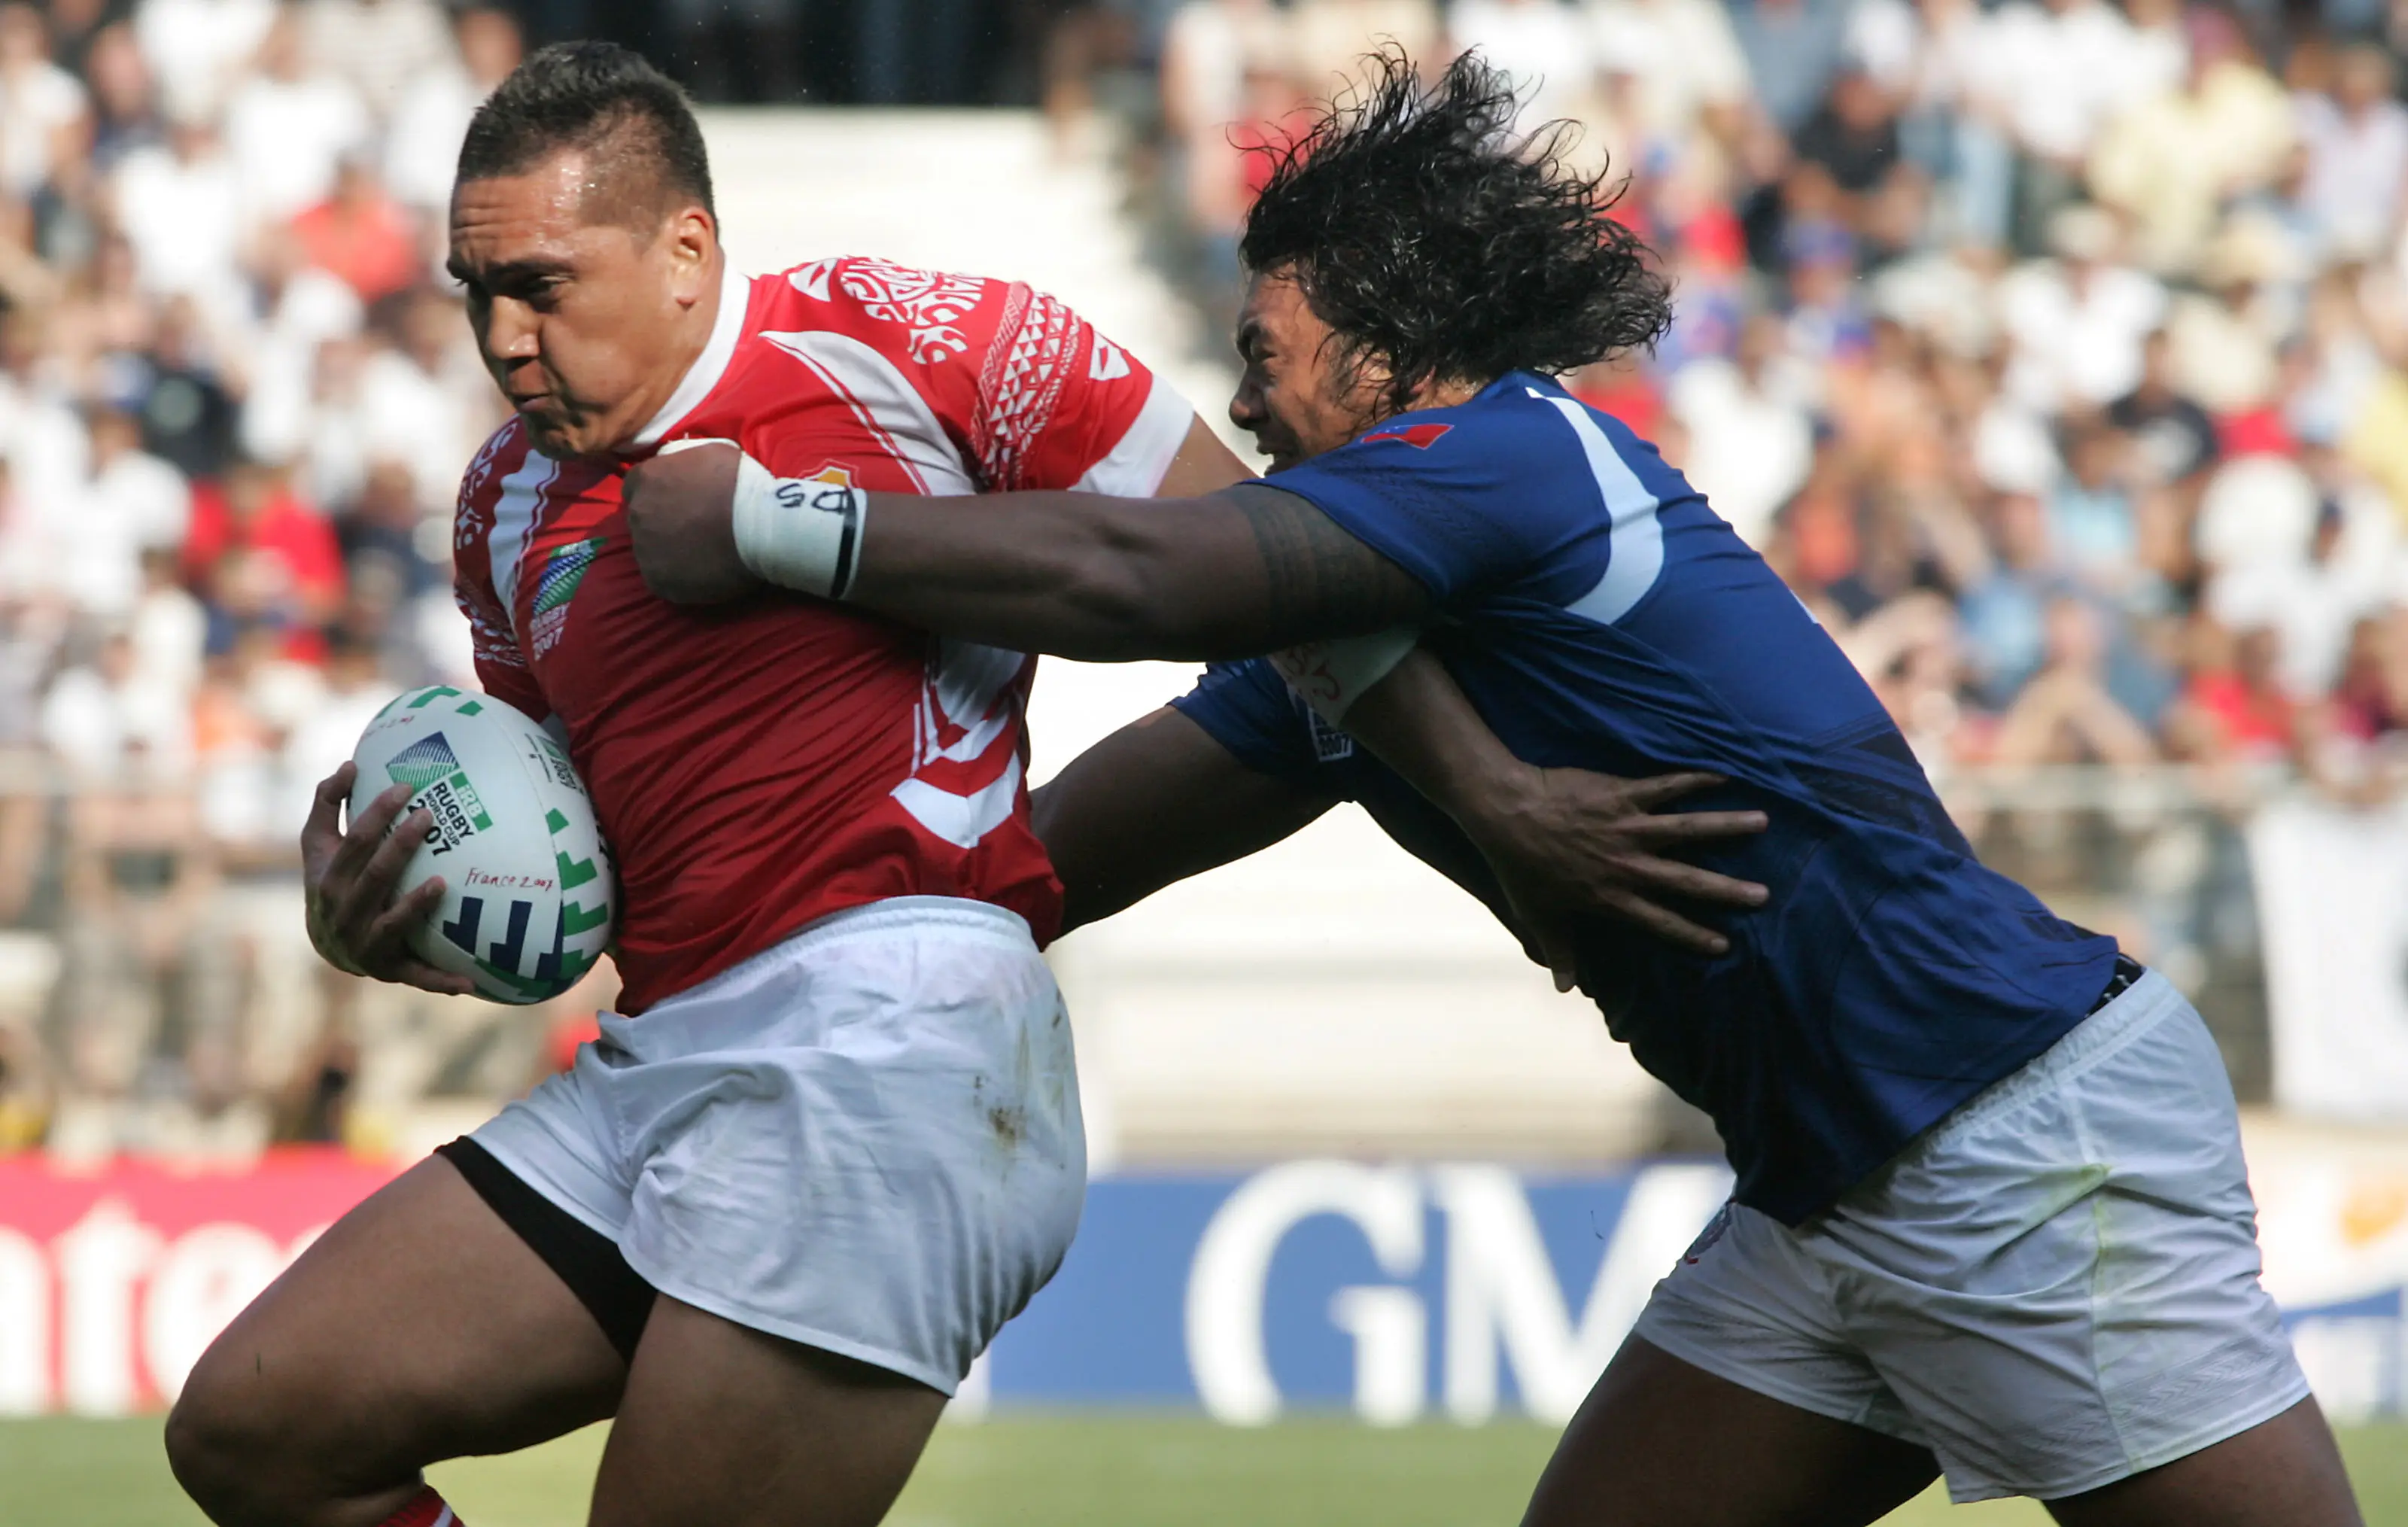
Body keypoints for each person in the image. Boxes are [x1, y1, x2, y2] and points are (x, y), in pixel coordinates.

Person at [625, 51, 2363, 1526]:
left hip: (2013, 1137)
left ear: (1389, 351)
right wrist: (694, 916)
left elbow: (1132, 579)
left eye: (1268, 347)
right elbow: (1041, 864)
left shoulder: (1509, 459)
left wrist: (778, 524)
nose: (1239, 397)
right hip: (1823, 1185)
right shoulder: (1353, 668)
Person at [163, 43, 1764, 1527]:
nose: (506, 336)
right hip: (661, 1053)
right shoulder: (500, 509)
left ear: (685, 254)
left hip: (888, 1044)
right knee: (255, 1430)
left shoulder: (915, 340)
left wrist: (1497, 798)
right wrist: (402, 908)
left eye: (541, 285)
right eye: (475, 294)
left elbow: (1272, 578)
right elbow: (577, 876)